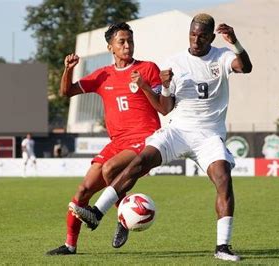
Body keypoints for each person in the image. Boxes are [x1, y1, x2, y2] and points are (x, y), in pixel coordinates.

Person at [69, 13, 252, 262]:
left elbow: (246, 67)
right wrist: (165, 86)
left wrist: (235, 42)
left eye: (202, 36)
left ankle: (222, 247)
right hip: (177, 130)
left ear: (211, 37)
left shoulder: (222, 56)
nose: (196, 40)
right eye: (192, 34)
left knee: (223, 179)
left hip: (209, 135)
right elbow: (165, 108)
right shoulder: (174, 61)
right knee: (138, 163)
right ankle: (97, 213)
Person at [46, 22, 169, 255]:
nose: (127, 45)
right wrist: (68, 69)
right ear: (110, 47)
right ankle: (70, 245)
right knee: (82, 191)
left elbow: (163, 106)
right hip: (117, 142)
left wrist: (148, 86)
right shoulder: (103, 74)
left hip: (145, 138)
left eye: (130, 41)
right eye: (121, 41)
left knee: (110, 168)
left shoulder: (148, 68)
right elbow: (66, 92)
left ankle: (119, 218)